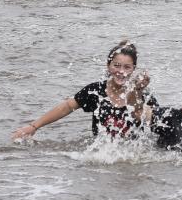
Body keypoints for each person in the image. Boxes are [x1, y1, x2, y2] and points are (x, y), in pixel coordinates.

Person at [12, 41, 155, 141]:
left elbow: (156, 121)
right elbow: (67, 107)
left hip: (133, 152)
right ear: (108, 66)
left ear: (134, 69)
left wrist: (137, 92)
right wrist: (34, 126)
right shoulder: (95, 91)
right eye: (116, 65)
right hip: (101, 152)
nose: (121, 71)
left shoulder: (144, 94)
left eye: (127, 67)